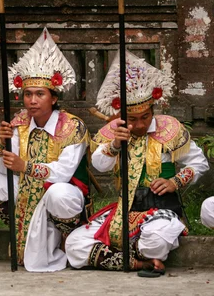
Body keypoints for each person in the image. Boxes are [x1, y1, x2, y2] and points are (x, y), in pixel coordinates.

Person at [66, 51, 209, 276]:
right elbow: (99, 165)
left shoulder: (169, 130)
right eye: (133, 119)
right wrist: (114, 145)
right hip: (125, 211)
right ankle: (140, 263)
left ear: (153, 111)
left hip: (162, 209)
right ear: (122, 116)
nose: (140, 125)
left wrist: (176, 181)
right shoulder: (114, 134)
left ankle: (135, 253)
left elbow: (200, 163)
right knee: (74, 244)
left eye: (145, 117)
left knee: (155, 240)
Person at [0, 28, 90, 272]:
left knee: (58, 192)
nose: (32, 100)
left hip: (60, 192)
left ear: (54, 98)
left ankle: (65, 235)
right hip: (27, 191)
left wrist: (24, 166)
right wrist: (1, 145)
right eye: (27, 94)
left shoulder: (72, 126)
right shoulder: (19, 122)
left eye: (40, 94)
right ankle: (20, 227)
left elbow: (62, 173)